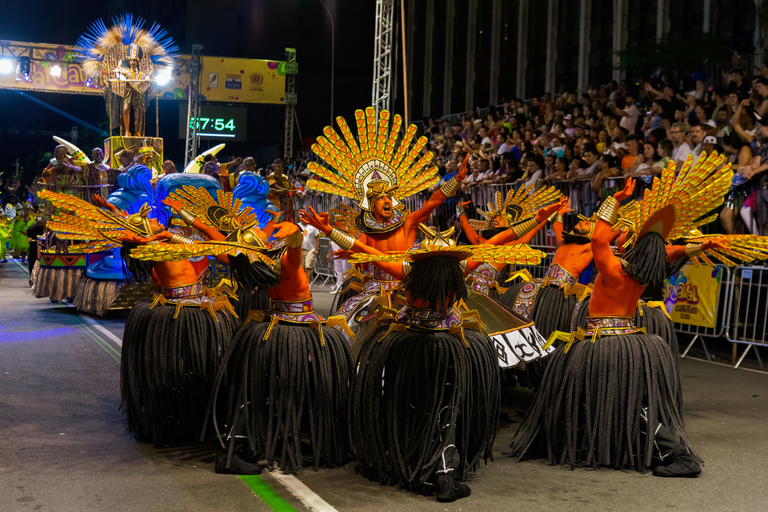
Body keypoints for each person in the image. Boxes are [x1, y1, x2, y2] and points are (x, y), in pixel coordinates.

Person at [25, 215, 45, 286]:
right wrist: (29, 238)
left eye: (41, 222)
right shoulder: (31, 229)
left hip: (43, 248)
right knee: (32, 263)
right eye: (38, 222)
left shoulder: (45, 229)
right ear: (35, 222)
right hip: (33, 247)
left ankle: (42, 279)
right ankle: (31, 279)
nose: (40, 224)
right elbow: (27, 233)